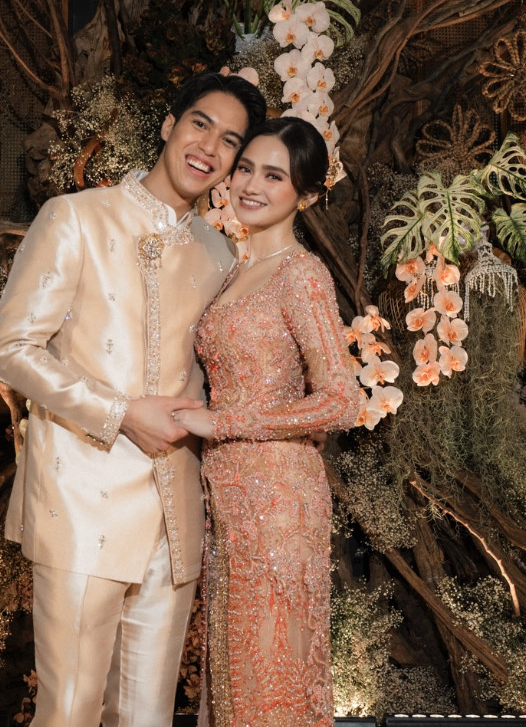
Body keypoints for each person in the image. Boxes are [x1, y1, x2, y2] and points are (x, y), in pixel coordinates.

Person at [0, 72, 266, 727]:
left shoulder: (219, 253)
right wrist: (119, 413)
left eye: (230, 141)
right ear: (169, 125)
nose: (209, 147)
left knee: (147, 716)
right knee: (71, 709)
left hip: (174, 512)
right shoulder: (76, 217)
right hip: (82, 499)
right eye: (199, 124)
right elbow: (11, 349)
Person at [172, 116, 365, 726]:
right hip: (230, 496)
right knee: (234, 678)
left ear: (304, 195)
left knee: (269, 676)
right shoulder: (235, 267)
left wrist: (224, 422)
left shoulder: (301, 275)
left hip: (280, 500)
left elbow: (343, 400)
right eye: (246, 169)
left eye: (274, 176)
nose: (251, 185)